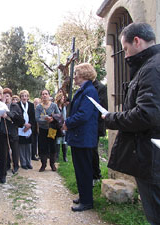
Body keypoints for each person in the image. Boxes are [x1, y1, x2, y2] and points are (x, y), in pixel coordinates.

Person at [102, 23, 160, 225]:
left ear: (137, 41)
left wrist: (112, 119)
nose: (125, 56)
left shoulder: (152, 68)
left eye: (125, 49)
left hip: (152, 157)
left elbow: (146, 115)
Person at [62, 63, 99, 212]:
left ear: (83, 74)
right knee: (80, 169)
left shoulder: (90, 91)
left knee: (84, 170)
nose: (74, 76)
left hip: (84, 138)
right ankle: (83, 196)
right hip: (79, 137)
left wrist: (67, 123)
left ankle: (87, 202)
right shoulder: (84, 90)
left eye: (76, 73)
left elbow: (84, 114)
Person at [35, 89, 60, 172]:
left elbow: (59, 115)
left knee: (53, 147)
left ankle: (52, 164)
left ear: (49, 95)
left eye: (46, 94)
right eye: (43, 94)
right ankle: (43, 165)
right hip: (43, 130)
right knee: (43, 147)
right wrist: (46, 120)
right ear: (41, 96)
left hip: (52, 129)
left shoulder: (54, 105)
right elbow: (37, 118)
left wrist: (52, 119)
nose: (44, 95)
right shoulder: (39, 107)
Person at [1, 88, 24, 174]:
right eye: (4, 96)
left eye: (7, 96)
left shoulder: (15, 106)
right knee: (5, 149)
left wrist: (8, 114)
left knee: (15, 149)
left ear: (10, 97)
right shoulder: (0, 105)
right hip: (4, 130)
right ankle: (7, 165)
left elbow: (19, 118)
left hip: (13, 130)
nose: (6, 98)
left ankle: (16, 166)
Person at [92, 78, 108, 184]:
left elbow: (101, 107)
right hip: (88, 125)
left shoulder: (101, 88)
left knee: (93, 150)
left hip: (95, 125)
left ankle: (96, 175)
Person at [18, 90, 36, 170]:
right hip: (20, 127)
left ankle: (29, 162)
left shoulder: (31, 105)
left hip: (29, 128)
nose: (24, 97)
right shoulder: (17, 105)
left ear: (28, 97)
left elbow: (33, 117)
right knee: (21, 146)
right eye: (22, 96)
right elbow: (17, 117)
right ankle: (23, 163)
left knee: (28, 146)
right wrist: (24, 125)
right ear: (20, 97)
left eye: (25, 96)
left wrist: (29, 126)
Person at [55, 88, 68, 162]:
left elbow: (64, 116)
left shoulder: (64, 107)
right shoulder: (55, 106)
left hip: (63, 125)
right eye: (62, 98)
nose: (63, 99)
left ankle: (64, 156)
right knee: (57, 140)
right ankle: (56, 156)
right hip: (57, 125)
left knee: (64, 140)